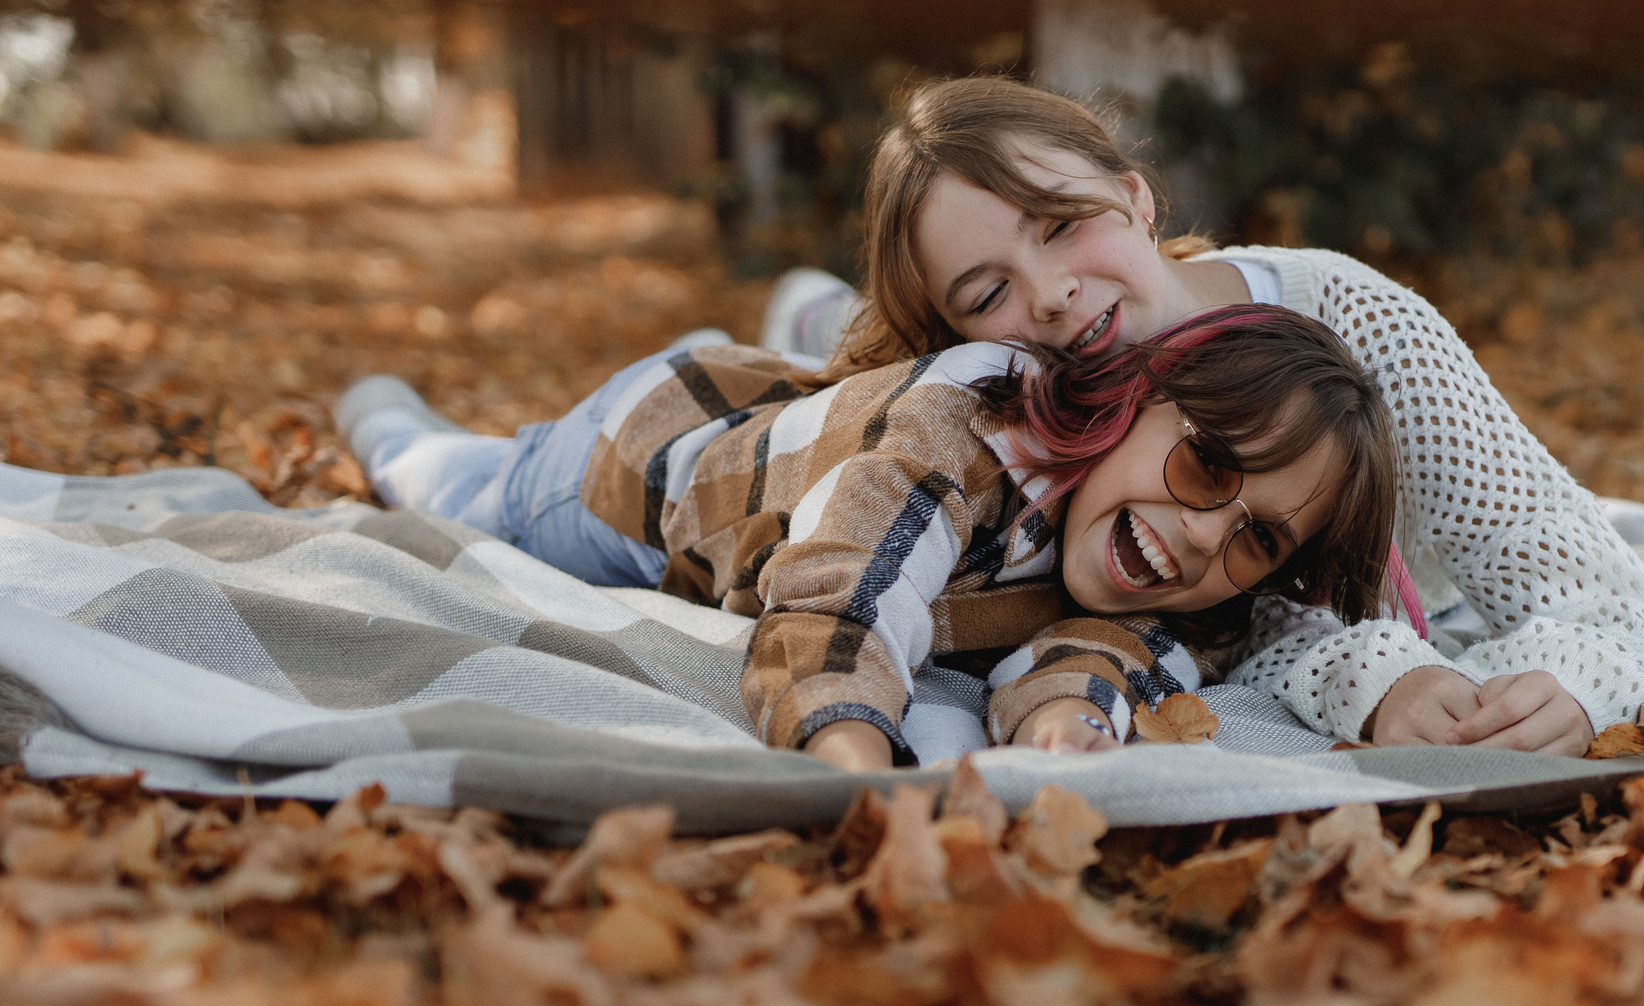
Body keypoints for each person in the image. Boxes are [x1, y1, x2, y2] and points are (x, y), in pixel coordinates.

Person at [765, 75, 1644, 756]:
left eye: (1059, 224)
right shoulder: (1009, 394)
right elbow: (1233, 630)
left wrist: (1569, 684)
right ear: (961, 333)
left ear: (1135, 196)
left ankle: (812, 308)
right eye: (986, 290)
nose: (1051, 295)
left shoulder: (1369, 330)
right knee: (822, 369)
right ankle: (813, 315)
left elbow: (1605, 602)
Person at [335, 305, 1398, 771]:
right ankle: (379, 409)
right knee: (450, 482)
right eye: (1206, 463)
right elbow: (845, 601)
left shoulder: (1204, 592)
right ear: (1133, 394)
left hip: (792, 432)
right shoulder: (967, 421)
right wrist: (849, 761)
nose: (1204, 536)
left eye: (1258, 536)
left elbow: (1106, 655)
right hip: (632, 468)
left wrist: (1067, 726)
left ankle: (807, 315)